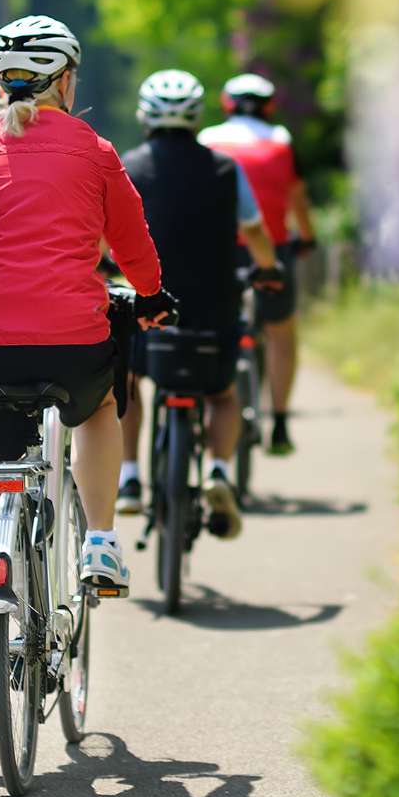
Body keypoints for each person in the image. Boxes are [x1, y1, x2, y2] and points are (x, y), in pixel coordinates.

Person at [0, 15, 174, 721]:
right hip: (71, 340)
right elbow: (132, 240)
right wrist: (152, 297)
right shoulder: (94, 149)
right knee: (100, 407)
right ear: (66, 80)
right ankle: (99, 539)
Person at [115, 69, 282, 538]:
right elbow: (253, 231)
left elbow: (110, 234)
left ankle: (129, 479)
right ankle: (219, 471)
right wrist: (269, 269)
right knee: (223, 393)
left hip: (148, 304)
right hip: (214, 304)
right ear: (196, 118)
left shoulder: (129, 165)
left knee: (127, 381)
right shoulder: (226, 169)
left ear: (145, 116)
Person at [199, 73, 317, 456]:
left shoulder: (207, 139)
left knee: (211, 327)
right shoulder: (281, 141)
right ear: (269, 106)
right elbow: (297, 196)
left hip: (217, 250)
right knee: (281, 332)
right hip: (270, 248)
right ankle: (280, 421)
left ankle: (203, 414)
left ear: (227, 104)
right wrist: (308, 235)